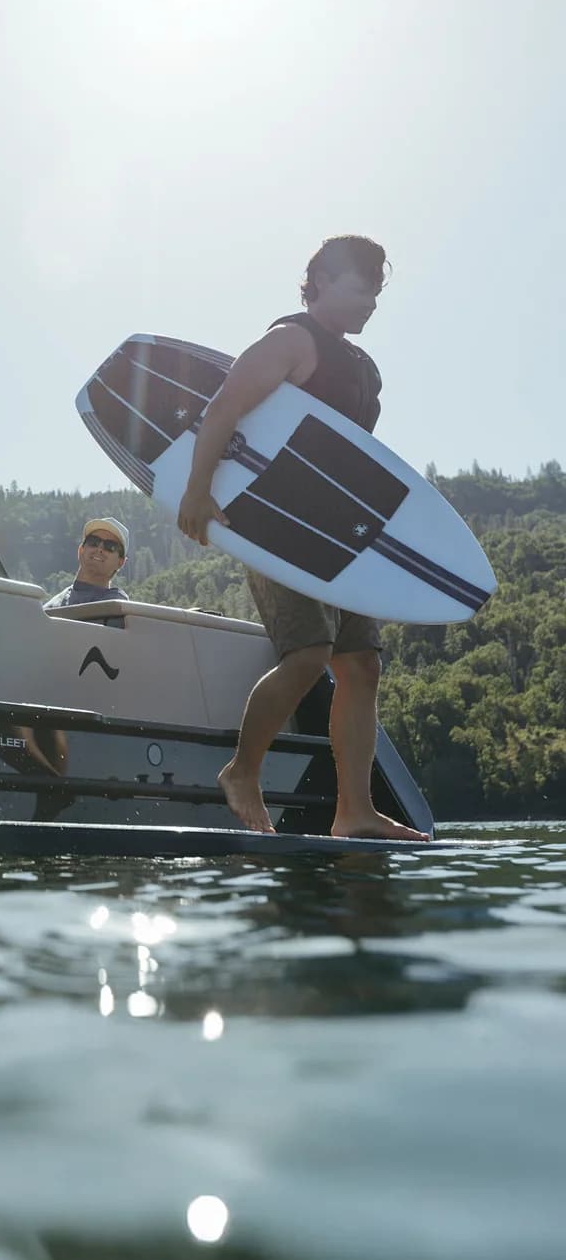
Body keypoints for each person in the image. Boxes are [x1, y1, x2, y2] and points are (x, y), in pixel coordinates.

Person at [176, 234, 427, 843]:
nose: (371, 302)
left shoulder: (364, 369)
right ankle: (242, 769)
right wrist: (197, 491)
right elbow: (223, 407)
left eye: (378, 291)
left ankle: (355, 811)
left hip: (340, 534)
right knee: (311, 653)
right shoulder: (292, 340)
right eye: (361, 287)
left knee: (361, 665)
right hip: (273, 525)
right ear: (320, 281)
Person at [43, 516, 130, 623]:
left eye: (110, 546)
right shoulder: (49, 608)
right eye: (93, 542)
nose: (100, 549)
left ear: (120, 562)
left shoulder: (119, 609)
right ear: (81, 550)